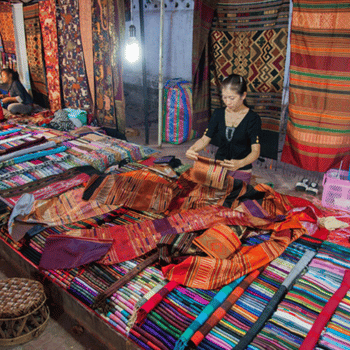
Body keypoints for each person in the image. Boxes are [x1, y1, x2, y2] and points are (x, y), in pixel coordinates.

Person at [186, 73, 261, 184]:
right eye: (224, 97)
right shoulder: (218, 114)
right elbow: (204, 139)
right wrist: (192, 149)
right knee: (201, 193)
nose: (227, 102)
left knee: (235, 198)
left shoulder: (253, 118)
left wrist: (240, 163)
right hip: (218, 167)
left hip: (241, 168)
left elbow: (255, 151)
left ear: (243, 95)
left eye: (232, 98)